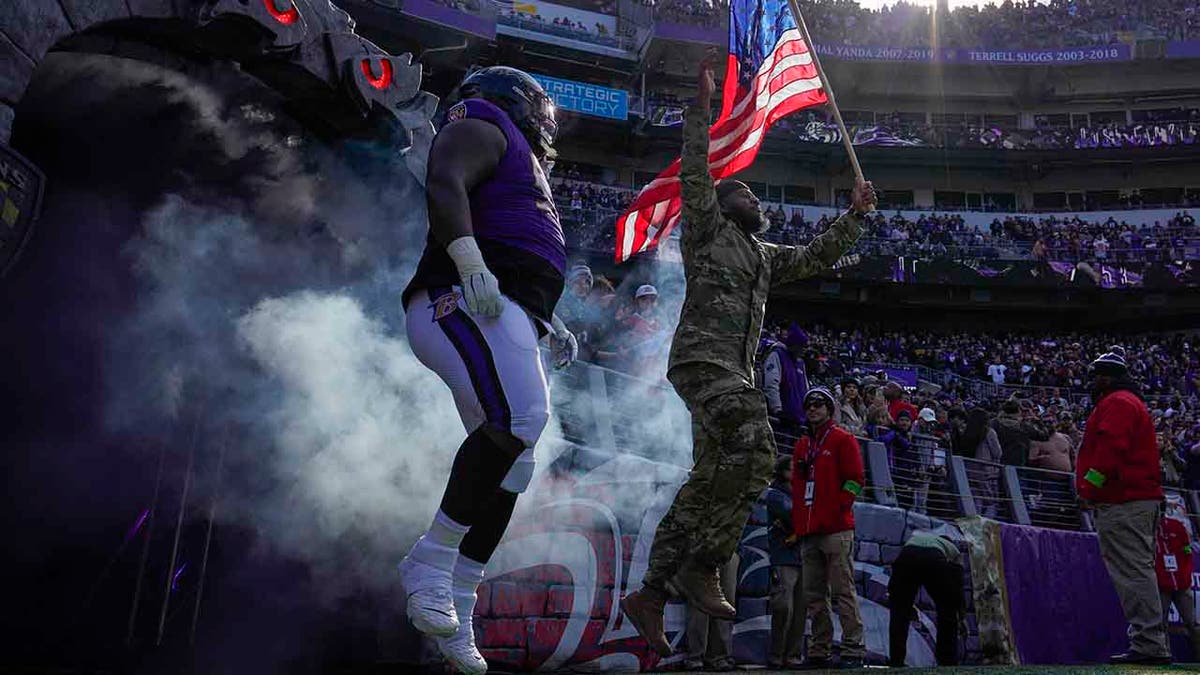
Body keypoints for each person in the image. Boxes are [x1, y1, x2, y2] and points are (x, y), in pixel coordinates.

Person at [620, 59, 875, 657]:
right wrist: (701, 109)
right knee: (760, 449)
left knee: (707, 480)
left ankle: (652, 591)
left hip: (726, 372)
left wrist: (856, 216)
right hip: (703, 364)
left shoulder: (763, 256)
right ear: (730, 204)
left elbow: (815, 255)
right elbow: (695, 174)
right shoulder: (708, 231)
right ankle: (705, 563)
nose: (759, 203)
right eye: (751, 196)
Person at [397, 66, 578, 675]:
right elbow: (444, 178)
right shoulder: (485, 118)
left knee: (518, 462)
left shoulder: (527, 160)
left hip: (503, 306)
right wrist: (469, 260)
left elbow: (525, 250)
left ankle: (460, 597)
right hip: (459, 297)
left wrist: (550, 320)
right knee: (521, 417)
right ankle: (430, 559)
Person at [1076, 349, 1171, 665]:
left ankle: (1149, 645)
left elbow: (1109, 451)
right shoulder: (1127, 402)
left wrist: (1089, 487)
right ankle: (1149, 642)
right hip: (1132, 499)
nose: (1092, 382)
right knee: (1136, 570)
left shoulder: (1117, 403)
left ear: (1105, 377)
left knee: (1132, 572)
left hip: (1125, 500)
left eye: (1095, 376)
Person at [791, 387, 867, 668]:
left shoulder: (842, 439)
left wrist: (838, 509)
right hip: (808, 532)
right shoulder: (801, 445)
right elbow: (797, 487)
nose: (813, 408)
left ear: (830, 408)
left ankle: (853, 648)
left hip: (835, 529)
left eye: (819, 404)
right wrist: (799, 523)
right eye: (808, 404)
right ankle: (819, 649)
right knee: (814, 596)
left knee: (842, 591)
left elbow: (855, 479)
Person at [888, 529, 965, 667]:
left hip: (908, 555)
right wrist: (962, 616)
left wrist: (897, 596)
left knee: (899, 613)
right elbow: (957, 587)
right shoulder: (953, 551)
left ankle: (896, 661)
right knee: (947, 613)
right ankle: (947, 662)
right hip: (933, 559)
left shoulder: (919, 539)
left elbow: (896, 576)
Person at [765, 456, 804, 669]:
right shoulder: (775, 494)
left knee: (800, 611)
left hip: (803, 557)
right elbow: (795, 517)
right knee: (783, 607)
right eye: (792, 469)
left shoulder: (801, 492)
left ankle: (794, 655)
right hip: (784, 557)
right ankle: (776, 654)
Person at [1156, 512, 1200, 660]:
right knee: (1160, 623)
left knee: (1192, 622)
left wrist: (1184, 576)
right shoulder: (1147, 528)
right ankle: (1164, 656)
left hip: (1182, 585)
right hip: (1161, 586)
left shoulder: (1177, 526)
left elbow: (1187, 552)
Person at [762, 324, 812, 435]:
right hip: (782, 420)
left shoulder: (800, 363)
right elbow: (771, 384)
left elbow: (806, 390)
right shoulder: (777, 355)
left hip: (799, 421)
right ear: (793, 345)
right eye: (802, 346)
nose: (805, 350)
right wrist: (778, 410)